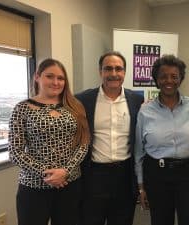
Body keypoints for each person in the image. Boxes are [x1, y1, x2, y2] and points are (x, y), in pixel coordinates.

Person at [8, 58, 90, 225]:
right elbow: (15, 152)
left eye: (60, 78)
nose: (56, 82)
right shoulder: (22, 108)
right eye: (49, 76)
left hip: (70, 184)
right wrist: (47, 173)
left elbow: (84, 143)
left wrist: (65, 171)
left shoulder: (75, 106)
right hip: (33, 187)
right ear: (37, 77)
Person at [134, 54, 189, 225]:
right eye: (163, 76)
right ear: (156, 80)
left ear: (181, 79)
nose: (169, 80)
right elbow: (139, 151)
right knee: (160, 220)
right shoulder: (145, 111)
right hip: (157, 174)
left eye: (174, 76)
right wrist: (141, 185)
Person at [76, 51, 144, 225]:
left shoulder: (137, 100)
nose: (113, 74)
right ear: (100, 72)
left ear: (124, 72)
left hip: (124, 176)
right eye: (108, 69)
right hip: (93, 177)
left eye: (118, 69)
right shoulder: (83, 100)